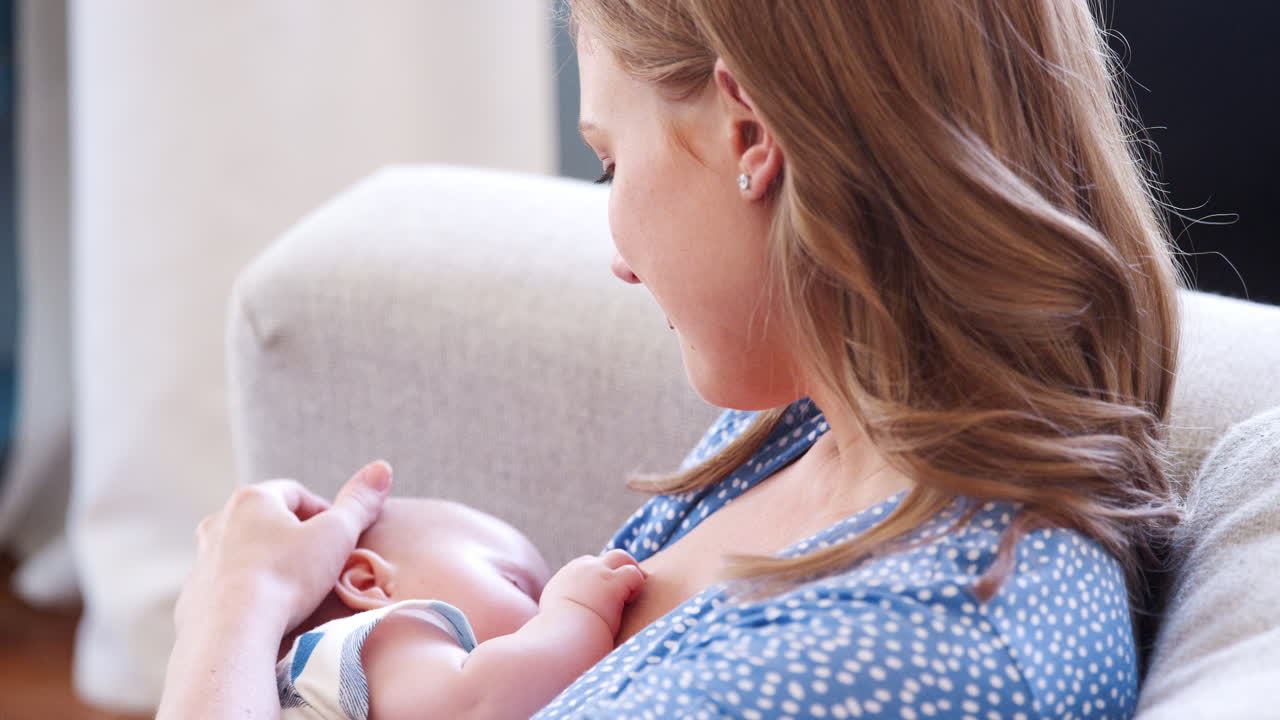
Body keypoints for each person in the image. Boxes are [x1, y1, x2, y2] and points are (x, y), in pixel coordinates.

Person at [159, 1, 1185, 718]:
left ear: (749, 133)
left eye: (610, 160)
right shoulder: (822, 417)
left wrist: (231, 611)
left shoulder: (891, 657)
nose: (617, 256)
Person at [271, 494, 644, 720]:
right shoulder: (371, 637)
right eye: (515, 583)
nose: (539, 611)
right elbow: (478, 703)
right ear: (370, 583)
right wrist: (575, 611)